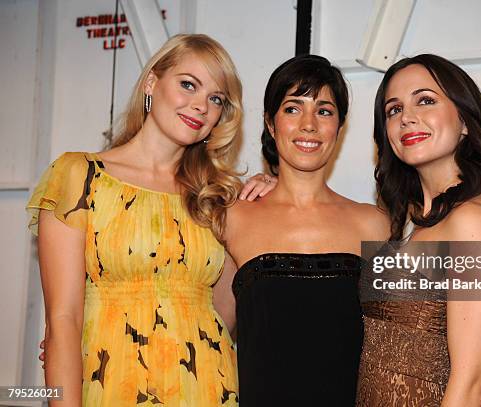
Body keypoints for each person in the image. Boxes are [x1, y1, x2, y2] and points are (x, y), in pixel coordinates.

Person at [27, 34, 242, 406]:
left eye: (215, 99)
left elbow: (222, 314)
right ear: (151, 82)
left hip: (204, 386)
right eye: (188, 84)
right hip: (110, 382)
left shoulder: (217, 197)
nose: (201, 106)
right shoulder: (80, 175)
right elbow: (62, 321)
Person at [222, 54, 389, 406]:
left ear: (339, 127)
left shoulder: (373, 223)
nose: (309, 125)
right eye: (293, 109)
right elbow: (208, 334)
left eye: (324, 111)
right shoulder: (233, 218)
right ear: (270, 123)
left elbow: (407, 340)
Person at [356, 54, 481, 406]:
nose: (407, 117)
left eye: (425, 100)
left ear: (466, 122)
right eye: (393, 109)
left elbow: (471, 382)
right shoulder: (405, 222)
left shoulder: (471, 221)